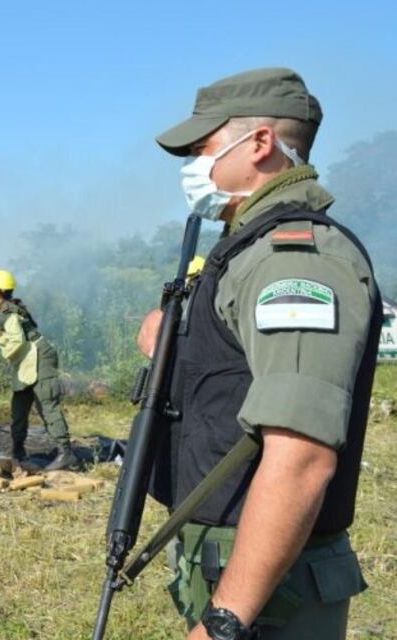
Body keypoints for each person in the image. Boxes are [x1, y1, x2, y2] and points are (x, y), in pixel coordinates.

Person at [143, 67, 383, 640]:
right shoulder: (246, 251)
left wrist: (224, 622)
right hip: (232, 555)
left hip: (275, 587)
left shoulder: (295, 259)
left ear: (259, 144)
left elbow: (301, 455)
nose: (192, 168)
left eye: (202, 149)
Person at [0, 271, 79, 471]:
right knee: (19, 407)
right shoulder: (0, 311)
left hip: (40, 358)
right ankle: (18, 450)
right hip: (24, 362)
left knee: (46, 404)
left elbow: (17, 341)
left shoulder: (9, 314)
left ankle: (66, 453)